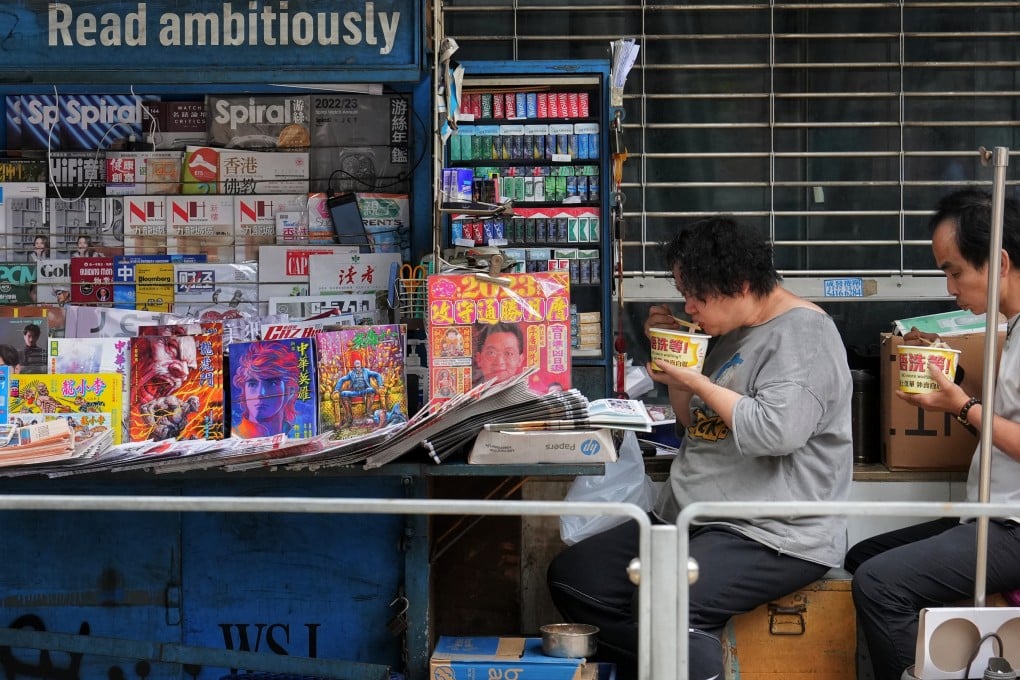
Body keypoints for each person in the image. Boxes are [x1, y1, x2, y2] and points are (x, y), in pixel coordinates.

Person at [547, 216, 853, 680]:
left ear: (742, 284)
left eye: (697, 296)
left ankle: (683, 654)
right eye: (684, 293)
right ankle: (671, 659)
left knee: (667, 598)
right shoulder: (730, 331)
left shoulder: (803, 337)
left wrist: (698, 380)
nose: (689, 308)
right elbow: (698, 425)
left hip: (770, 530)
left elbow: (776, 432)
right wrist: (678, 368)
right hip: (693, 516)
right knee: (575, 578)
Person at [845, 188, 1020, 680]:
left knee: (880, 585)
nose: (949, 287)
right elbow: (1002, 415)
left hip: (1014, 527)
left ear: (998, 262)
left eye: (954, 270)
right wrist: (954, 384)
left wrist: (961, 404)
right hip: (990, 514)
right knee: (863, 558)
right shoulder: (1011, 327)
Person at [231, 342, 300, 438]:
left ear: (290, 391)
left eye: (272, 383)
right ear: (244, 390)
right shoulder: (235, 435)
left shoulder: (295, 434)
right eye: (252, 384)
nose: (261, 393)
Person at [333, 358, 385, 427]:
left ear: (361, 365)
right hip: (355, 392)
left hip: (365, 390)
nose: (358, 368)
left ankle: (368, 413)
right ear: (354, 367)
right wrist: (337, 389)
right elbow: (342, 379)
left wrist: (380, 385)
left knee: (371, 390)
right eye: (356, 367)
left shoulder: (366, 371)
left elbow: (377, 375)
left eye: (359, 366)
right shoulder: (351, 373)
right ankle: (349, 418)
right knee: (343, 394)